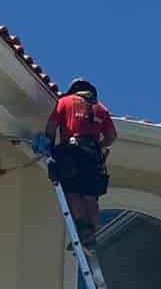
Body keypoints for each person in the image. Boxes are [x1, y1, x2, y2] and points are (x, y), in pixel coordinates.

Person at [45, 77, 117, 244]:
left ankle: (83, 230)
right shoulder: (101, 109)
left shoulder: (65, 101)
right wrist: (99, 146)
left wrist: (48, 148)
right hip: (93, 155)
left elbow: (51, 127)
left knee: (73, 192)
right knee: (90, 196)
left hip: (72, 152)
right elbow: (111, 136)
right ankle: (93, 232)